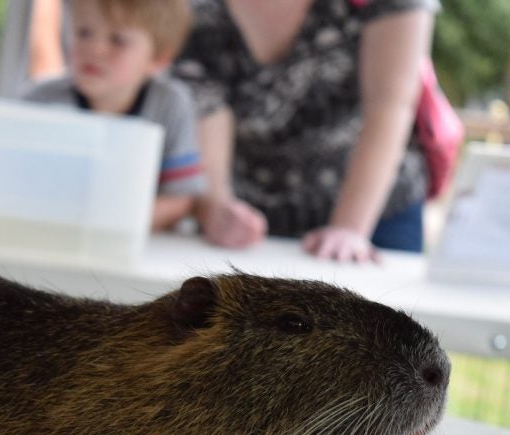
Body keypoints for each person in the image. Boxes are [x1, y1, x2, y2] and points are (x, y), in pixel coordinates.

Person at [173, 0, 438, 260]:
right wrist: (218, 207)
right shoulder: (194, 7)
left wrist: (349, 230)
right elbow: (206, 107)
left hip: (376, 215)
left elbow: (390, 105)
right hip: (251, 223)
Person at [22, 0, 206, 234]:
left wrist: (110, 223)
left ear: (158, 58)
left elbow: (179, 199)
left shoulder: (170, 104)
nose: (94, 48)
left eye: (118, 40)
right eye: (84, 32)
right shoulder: (38, 101)